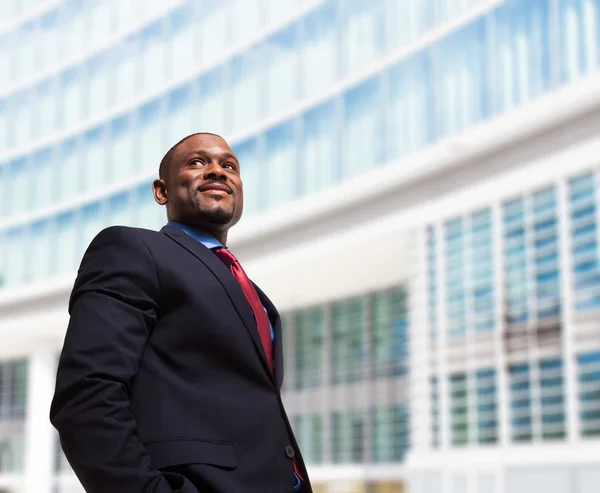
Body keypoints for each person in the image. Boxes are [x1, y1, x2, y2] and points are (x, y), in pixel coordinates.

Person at [50, 133, 312, 493]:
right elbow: (87, 396)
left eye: (229, 166)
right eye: (197, 162)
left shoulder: (257, 298)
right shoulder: (133, 249)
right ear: (162, 191)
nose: (217, 171)